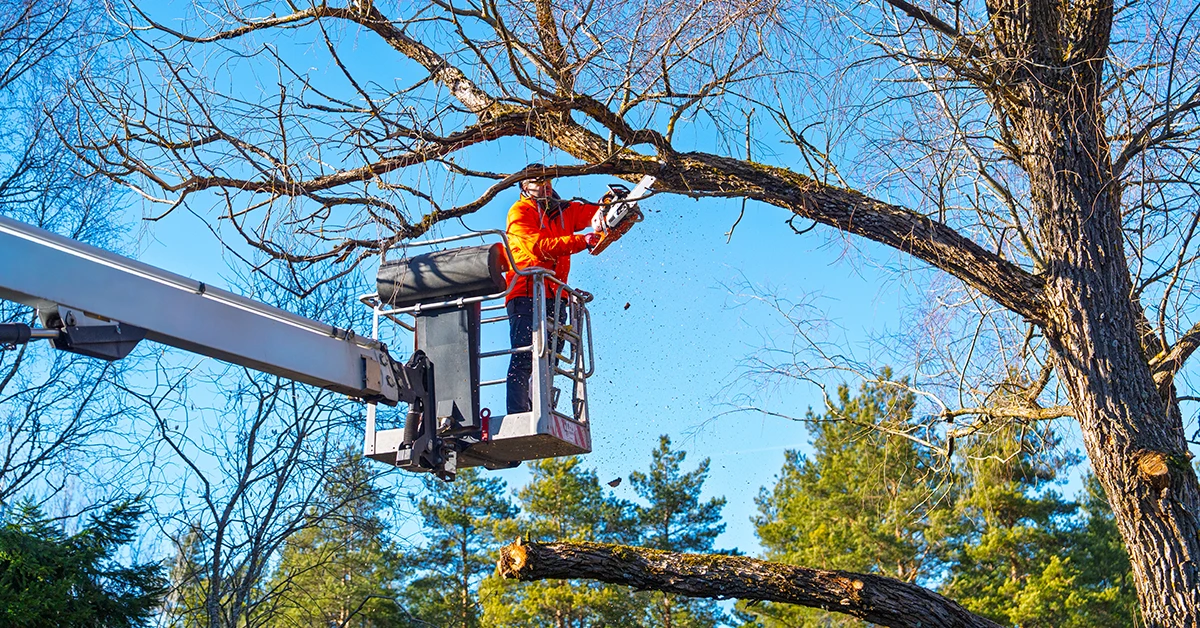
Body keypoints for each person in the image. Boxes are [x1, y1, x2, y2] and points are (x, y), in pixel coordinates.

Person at [504, 163, 605, 415]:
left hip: (554, 294)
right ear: (525, 186)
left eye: (548, 181)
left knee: (550, 360)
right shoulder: (520, 212)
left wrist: (609, 209)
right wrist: (582, 240)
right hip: (527, 292)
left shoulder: (563, 211)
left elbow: (590, 215)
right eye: (538, 182)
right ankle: (520, 414)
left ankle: (542, 407)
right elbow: (539, 246)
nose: (545, 186)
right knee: (526, 356)